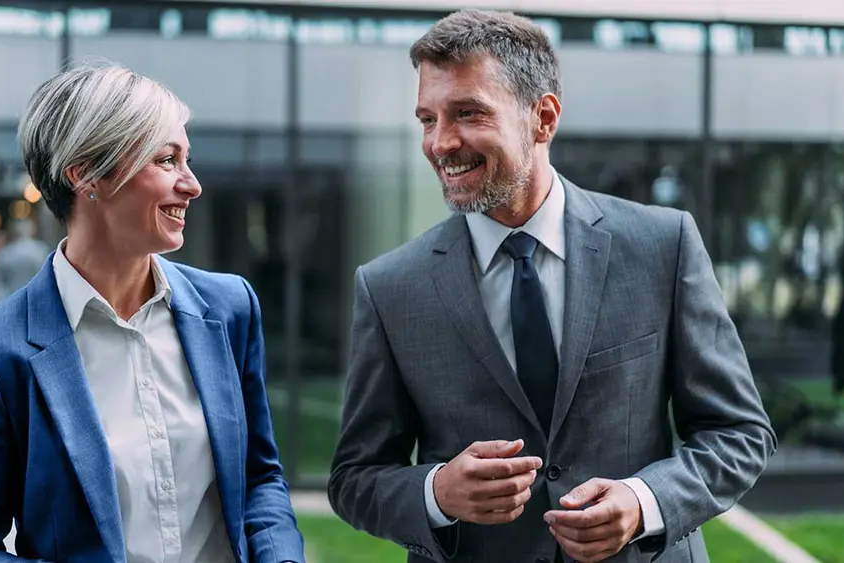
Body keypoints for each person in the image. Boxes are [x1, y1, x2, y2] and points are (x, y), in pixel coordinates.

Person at [328, 10, 775, 563]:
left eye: (467, 113)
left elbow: (739, 434)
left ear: (543, 118)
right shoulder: (389, 287)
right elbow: (354, 478)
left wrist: (643, 502)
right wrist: (436, 493)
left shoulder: (663, 245)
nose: (441, 142)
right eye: (427, 119)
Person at [0, 64, 305, 563]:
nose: (191, 185)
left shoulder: (231, 308)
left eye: (185, 159)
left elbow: (259, 478)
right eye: (166, 160)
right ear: (85, 173)